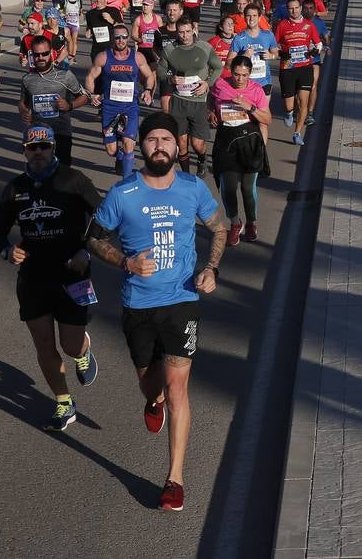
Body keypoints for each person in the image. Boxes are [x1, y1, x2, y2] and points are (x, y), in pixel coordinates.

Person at [88, 112, 229, 512]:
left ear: (177, 145)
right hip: (138, 305)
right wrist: (125, 263)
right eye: (153, 140)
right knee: (152, 386)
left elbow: (219, 228)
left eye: (168, 139)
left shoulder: (192, 187)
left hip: (182, 300)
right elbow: (93, 239)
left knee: (178, 388)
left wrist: (211, 269)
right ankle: (153, 403)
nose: (161, 146)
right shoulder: (123, 194)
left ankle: (174, 480)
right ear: (142, 146)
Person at [0, 126, 104, 431]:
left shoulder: (73, 179)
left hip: (72, 273)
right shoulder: (15, 188)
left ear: (53, 148)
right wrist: (7, 251)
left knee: (69, 344)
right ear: (24, 150)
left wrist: (86, 250)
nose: (38, 152)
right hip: (33, 278)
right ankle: (64, 402)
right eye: (32, 147)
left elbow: (105, 215)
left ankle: (82, 350)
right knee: (43, 344)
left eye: (44, 147)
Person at [210, 56, 271, 244]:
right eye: (236, 74)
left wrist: (249, 107)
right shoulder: (220, 85)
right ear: (231, 72)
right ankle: (235, 223)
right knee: (227, 186)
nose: (239, 79)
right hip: (226, 140)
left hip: (248, 141)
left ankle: (252, 222)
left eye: (244, 75)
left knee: (247, 188)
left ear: (250, 74)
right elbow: (211, 100)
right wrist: (211, 112)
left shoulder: (256, 90)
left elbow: (267, 119)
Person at [86, 22, 157, 178]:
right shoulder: (103, 57)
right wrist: (92, 94)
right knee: (111, 150)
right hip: (109, 107)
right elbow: (90, 76)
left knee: (128, 144)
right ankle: (121, 157)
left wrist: (147, 90)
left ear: (128, 38)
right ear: (112, 39)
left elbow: (150, 76)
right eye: (117, 37)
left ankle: (127, 181)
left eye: (124, 37)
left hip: (130, 107)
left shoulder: (137, 57)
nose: (121, 40)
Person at [156, 18, 223, 172]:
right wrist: (170, 78)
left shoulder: (204, 47)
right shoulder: (169, 49)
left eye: (187, 31)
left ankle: (201, 158)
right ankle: (186, 175)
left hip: (199, 102)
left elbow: (218, 67)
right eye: (181, 32)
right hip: (179, 101)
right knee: (182, 142)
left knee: (197, 143)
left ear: (193, 30)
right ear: (177, 32)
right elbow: (160, 71)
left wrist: (208, 83)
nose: (185, 35)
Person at [19, 41, 89, 166]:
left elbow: (84, 97)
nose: (40, 58)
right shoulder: (27, 78)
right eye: (37, 55)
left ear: (51, 53)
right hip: (38, 133)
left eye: (44, 54)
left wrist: (69, 105)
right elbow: (22, 103)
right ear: (32, 56)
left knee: (62, 172)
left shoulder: (65, 75)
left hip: (61, 132)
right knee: (39, 171)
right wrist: (24, 111)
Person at [274, 0, 322, 146]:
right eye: (290, 8)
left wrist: (314, 52)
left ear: (300, 8)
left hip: (305, 67)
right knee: (290, 105)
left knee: (303, 103)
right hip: (288, 68)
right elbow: (273, 46)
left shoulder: (309, 25)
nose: (294, 11)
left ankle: (297, 133)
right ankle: (288, 112)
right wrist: (282, 54)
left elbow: (318, 43)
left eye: (296, 8)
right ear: (287, 10)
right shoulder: (282, 25)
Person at [230, 5, 279, 97]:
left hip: (264, 82)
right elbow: (229, 62)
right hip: (244, 83)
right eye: (248, 16)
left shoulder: (268, 35)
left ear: (260, 18)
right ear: (244, 18)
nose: (251, 18)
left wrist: (271, 56)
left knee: (264, 111)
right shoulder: (239, 38)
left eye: (254, 15)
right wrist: (243, 56)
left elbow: (275, 53)